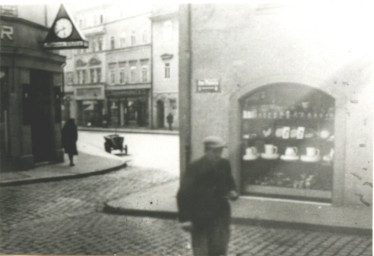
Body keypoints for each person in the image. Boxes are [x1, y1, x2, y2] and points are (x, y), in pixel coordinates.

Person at [177, 136, 239, 256]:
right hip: (201, 217)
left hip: (221, 216)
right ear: (207, 151)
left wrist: (233, 192)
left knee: (220, 250)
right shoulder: (195, 167)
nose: (218, 155)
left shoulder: (224, 164)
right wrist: (185, 219)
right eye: (214, 151)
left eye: (220, 151)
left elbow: (231, 182)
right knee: (202, 251)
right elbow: (183, 194)